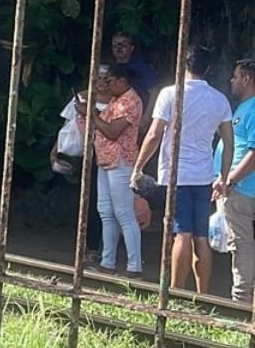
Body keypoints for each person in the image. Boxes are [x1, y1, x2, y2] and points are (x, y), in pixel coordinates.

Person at [132, 45, 233, 294]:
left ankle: (176, 293)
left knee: (181, 234)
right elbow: (229, 142)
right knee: (201, 236)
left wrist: (139, 166)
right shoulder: (219, 99)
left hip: (176, 174)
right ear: (208, 68)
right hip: (203, 175)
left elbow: (155, 134)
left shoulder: (170, 94)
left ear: (183, 65)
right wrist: (223, 176)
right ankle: (203, 294)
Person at [76, 63, 142, 278]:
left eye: (110, 80)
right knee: (106, 212)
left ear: (122, 81)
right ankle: (108, 262)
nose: (106, 84)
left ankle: (134, 267)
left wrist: (91, 114)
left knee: (124, 214)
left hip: (121, 162)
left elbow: (113, 132)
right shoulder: (117, 100)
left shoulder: (130, 102)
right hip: (106, 161)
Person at [50, 63, 109, 265]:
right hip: (83, 155)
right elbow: (65, 129)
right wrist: (54, 153)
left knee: (98, 203)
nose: (101, 83)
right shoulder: (80, 98)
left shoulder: (118, 102)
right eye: (97, 78)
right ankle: (84, 246)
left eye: (105, 79)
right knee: (85, 201)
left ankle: (95, 248)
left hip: (106, 157)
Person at [213, 58, 255, 303]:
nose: (231, 81)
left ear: (247, 79)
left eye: (235, 77)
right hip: (238, 186)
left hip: (241, 188)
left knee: (240, 242)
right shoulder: (244, 107)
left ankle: (241, 298)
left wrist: (229, 179)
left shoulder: (252, 108)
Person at [110, 32, 157, 114]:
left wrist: (146, 117)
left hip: (139, 112)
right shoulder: (111, 68)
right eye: (115, 44)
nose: (119, 47)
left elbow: (154, 91)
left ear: (131, 48)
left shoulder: (141, 67)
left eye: (123, 44)